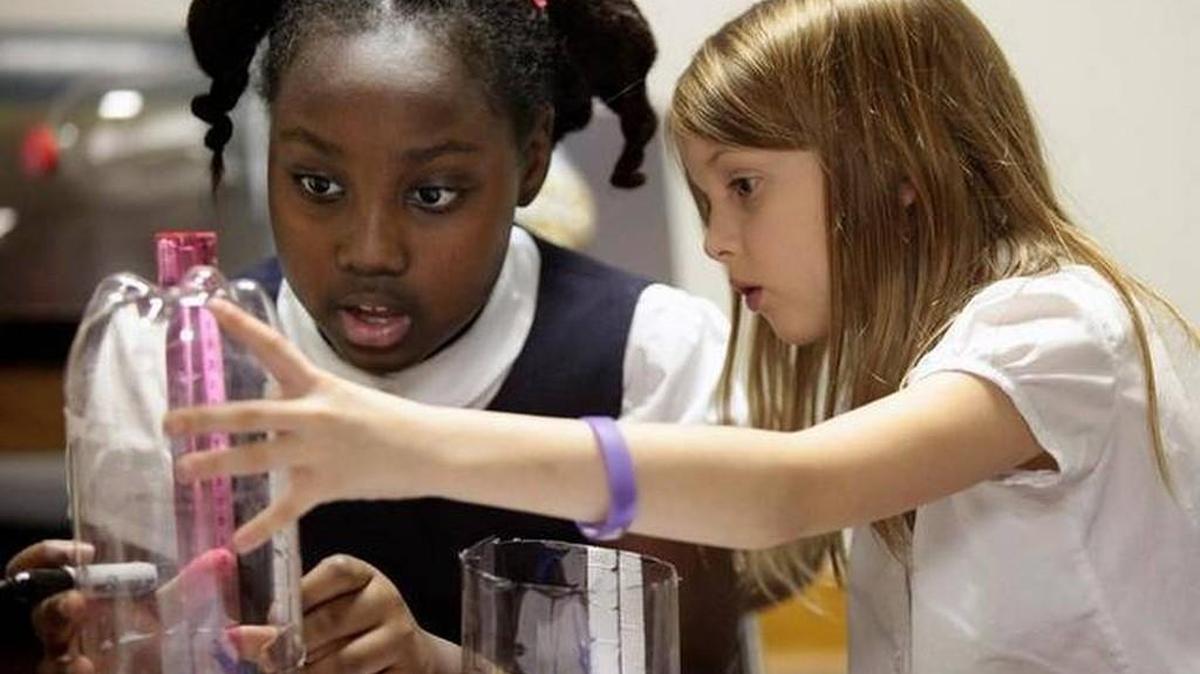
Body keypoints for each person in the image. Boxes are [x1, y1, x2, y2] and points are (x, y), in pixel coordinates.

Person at [168, 0, 1200, 672]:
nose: (713, 239)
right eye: (707, 197)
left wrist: (397, 440)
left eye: (744, 187)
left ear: (898, 170)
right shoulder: (928, 369)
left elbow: (783, 489)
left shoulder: (1058, 328)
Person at [8, 0, 750, 671]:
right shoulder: (167, 358)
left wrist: (440, 665)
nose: (369, 250)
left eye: (432, 194)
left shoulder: (649, 356)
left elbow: (696, 664)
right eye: (317, 185)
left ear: (529, 162)